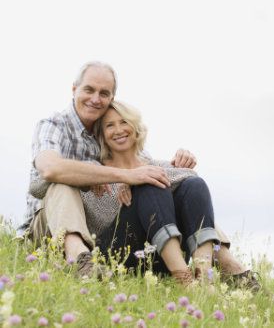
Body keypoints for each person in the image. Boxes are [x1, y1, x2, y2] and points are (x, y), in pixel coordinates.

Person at [22, 61, 197, 278]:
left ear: (111, 98)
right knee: (62, 184)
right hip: (48, 229)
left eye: (104, 93)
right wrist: (124, 176)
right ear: (74, 89)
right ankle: (81, 261)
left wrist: (178, 161)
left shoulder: (108, 133)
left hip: (99, 237)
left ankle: (222, 263)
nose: (95, 99)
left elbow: (144, 169)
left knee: (169, 185)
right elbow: (50, 169)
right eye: (89, 90)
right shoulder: (53, 125)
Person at [77, 100, 258, 289]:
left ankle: (204, 279)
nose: (118, 130)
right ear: (102, 135)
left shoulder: (157, 166)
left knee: (192, 185)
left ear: (135, 126)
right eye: (109, 125)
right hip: (121, 254)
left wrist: (136, 179)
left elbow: (191, 177)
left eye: (124, 122)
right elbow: (97, 224)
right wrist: (133, 181)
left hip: (162, 254)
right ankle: (184, 280)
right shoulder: (98, 172)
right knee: (150, 182)